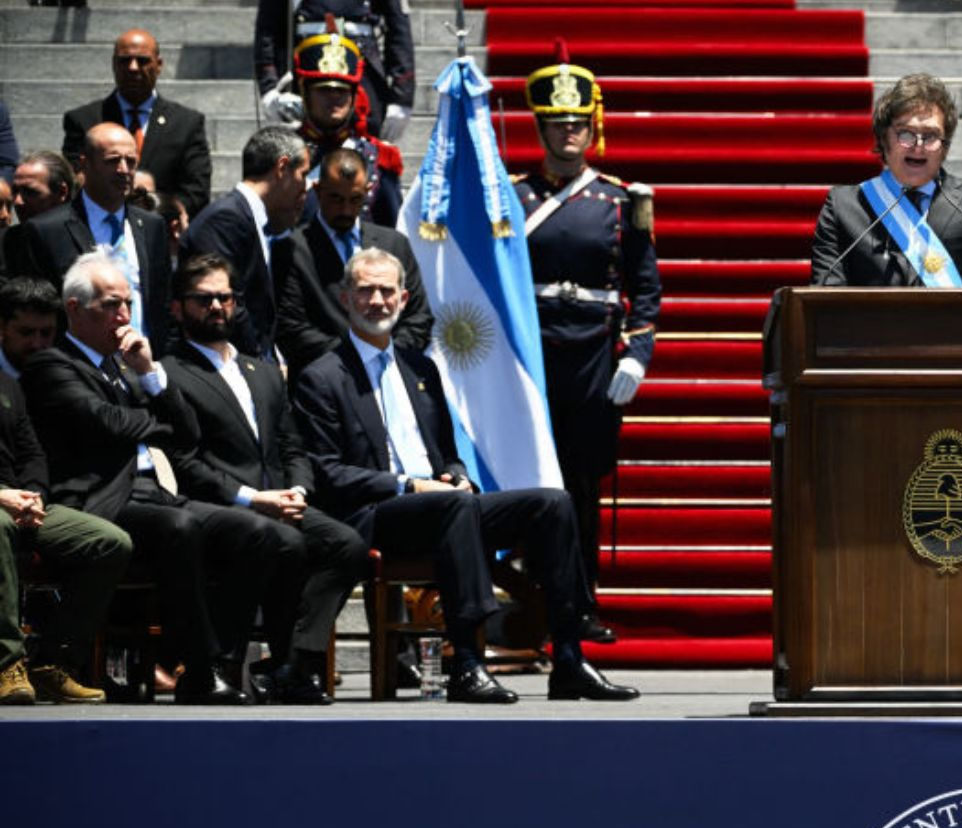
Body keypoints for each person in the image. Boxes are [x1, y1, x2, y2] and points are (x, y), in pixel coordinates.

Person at [292, 248, 641, 703]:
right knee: (452, 504)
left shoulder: (421, 368)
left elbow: (448, 456)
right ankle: (467, 662)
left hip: (442, 505)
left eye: (385, 291)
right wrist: (410, 485)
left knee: (551, 503)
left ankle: (570, 656)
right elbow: (328, 472)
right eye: (365, 290)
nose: (376, 300)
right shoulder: (322, 376)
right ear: (344, 298)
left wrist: (455, 476)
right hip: (376, 514)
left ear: (403, 298)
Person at [25, 251, 277, 705]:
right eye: (110, 305)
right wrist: (153, 420)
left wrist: (149, 375)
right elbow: (108, 423)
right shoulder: (51, 365)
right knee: (180, 529)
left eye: (127, 303)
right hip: (102, 498)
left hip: (155, 491)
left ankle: (217, 660)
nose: (123, 316)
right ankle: (198, 672)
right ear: (76, 310)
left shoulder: (125, 366)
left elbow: (188, 431)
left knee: (255, 531)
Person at [165, 253, 369, 704]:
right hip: (224, 507)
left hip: (282, 499)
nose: (217, 307)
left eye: (225, 297)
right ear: (178, 308)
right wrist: (251, 498)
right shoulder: (170, 374)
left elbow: (291, 445)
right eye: (203, 299)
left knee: (347, 545)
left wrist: (298, 490)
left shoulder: (260, 371)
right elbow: (186, 462)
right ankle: (225, 663)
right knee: (282, 542)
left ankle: (291, 662)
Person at [514, 50, 661, 645]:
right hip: (532, 356)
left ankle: (579, 604)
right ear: (541, 127)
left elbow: (645, 289)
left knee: (581, 488)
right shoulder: (514, 197)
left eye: (576, 123)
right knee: (531, 487)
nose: (567, 131)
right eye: (556, 122)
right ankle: (530, 601)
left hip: (594, 357)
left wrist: (637, 355)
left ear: (591, 125)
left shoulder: (622, 200)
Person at [0, 277, 135, 705]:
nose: (38, 343)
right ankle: (6, 665)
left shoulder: (11, 386)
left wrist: (34, 496)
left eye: (46, 333)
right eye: (26, 333)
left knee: (108, 542)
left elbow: (32, 452)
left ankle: (51, 661)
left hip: (22, 503)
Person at [809, 75, 962, 287]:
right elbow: (824, 300)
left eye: (930, 136)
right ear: (884, 139)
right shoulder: (844, 207)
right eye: (906, 134)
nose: (918, 146)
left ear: (945, 146)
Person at [275, 147, 431, 373]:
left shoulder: (395, 245)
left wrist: (384, 356)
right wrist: (357, 360)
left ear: (368, 191)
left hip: (391, 372)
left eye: (355, 199)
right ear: (317, 191)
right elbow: (291, 328)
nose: (346, 210)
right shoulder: (291, 250)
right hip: (325, 381)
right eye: (336, 199)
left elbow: (419, 317)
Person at [14, 125, 171, 349]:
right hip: (79, 369)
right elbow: (38, 311)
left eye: (131, 161)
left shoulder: (152, 226)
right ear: (84, 164)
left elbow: (162, 302)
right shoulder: (47, 230)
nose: (123, 169)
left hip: (145, 361)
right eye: (112, 160)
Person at [178, 127, 311, 364]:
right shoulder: (226, 219)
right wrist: (259, 366)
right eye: (303, 174)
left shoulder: (252, 218)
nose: (306, 186)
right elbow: (230, 305)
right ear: (282, 168)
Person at [58, 30, 211, 217]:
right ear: (114, 64)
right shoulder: (84, 120)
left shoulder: (186, 123)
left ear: (159, 65)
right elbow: (74, 180)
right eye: (124, 60)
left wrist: (154, 218)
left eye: (143, 60)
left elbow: (196, 191)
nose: (133, 67)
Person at [278, 26, 403, 229]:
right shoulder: (282, 152)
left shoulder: (379, 157)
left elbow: (393, 230)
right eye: (324, 90)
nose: (334, 97)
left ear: (354, 97)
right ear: (305, 93)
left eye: (342, 91)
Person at [255, 0, 414, 141]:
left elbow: (398, 26)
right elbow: (267, 27)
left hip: (361, 66)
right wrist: (269, 88)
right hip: (306, 63)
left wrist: (402, 96)